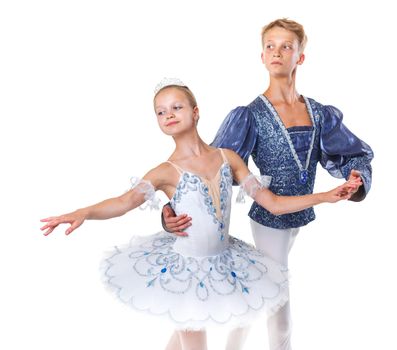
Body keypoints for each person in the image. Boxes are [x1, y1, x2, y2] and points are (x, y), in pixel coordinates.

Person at [40, 79, 360, 350]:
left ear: (195, 112)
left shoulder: (228, 157)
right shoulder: (165, 171)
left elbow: (273, 203)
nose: (168, 115)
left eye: (176, 107)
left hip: (223, 263)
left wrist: (326, 196)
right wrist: (83, 211)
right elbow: (124, 202)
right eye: (160, 111)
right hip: (185, 272)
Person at [162, 19, 374, 350]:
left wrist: (355, 179)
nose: (277, 52)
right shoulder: (250, 115)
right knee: (278, 300)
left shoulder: (318, 114)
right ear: (262, 56)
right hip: (269, 218)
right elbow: (208, 167)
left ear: (300, 57)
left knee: (254, 295)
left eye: (286, 46)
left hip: (298, 217)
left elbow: (354, 154)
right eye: (270, 46)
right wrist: (170, 208)